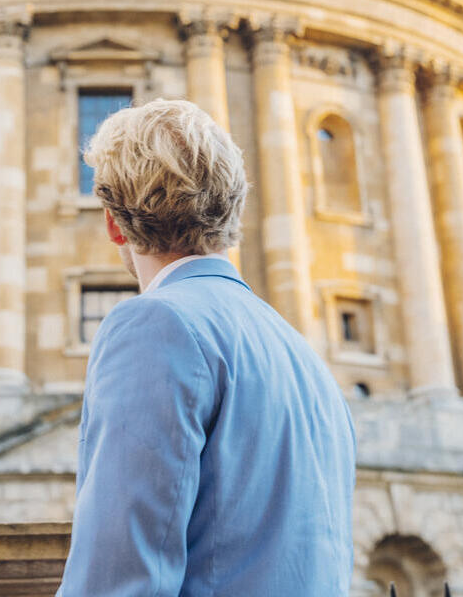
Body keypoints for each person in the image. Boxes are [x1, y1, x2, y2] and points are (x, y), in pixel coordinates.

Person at [57, 99, 356, 597]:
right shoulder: (307, 360)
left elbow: (121, 575)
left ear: (114, 222)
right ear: (232, 208)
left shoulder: (156, 324)